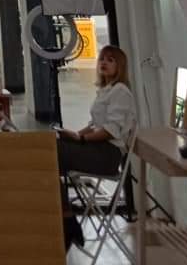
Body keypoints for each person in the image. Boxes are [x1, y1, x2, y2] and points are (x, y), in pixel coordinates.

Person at [55, 44, 136, 251]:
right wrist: (74, 135)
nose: (104, 63)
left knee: (53, 152)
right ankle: (66, 217)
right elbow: (94, 125)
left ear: (120, 66)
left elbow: (110, 131)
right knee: (52, 149)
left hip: (107, 154)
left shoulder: (121, 92)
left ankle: (67, 219)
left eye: (111, 60)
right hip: (98, 148)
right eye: (102, 59)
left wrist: (80, 139)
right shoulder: (106, 91)